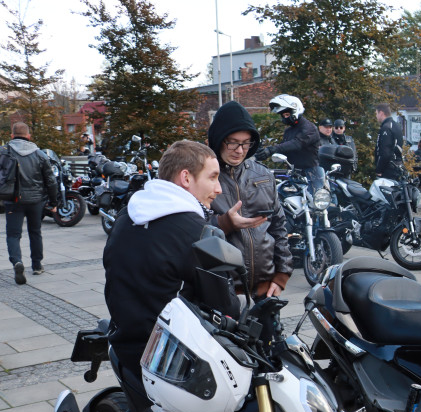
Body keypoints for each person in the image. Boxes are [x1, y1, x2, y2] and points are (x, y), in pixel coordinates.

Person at [103, 140, 225, 383]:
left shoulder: (128, 214)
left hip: (125, 344)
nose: (219, 188)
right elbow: (222, 303)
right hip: (172, 359)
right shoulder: (196, 232)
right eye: (213, 177)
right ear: (186, 178)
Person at [207, 100, 293, 299]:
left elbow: (279, 227)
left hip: (266, 291)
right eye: (233, 142)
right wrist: (225, 223)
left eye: (246, 143)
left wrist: (281, 276)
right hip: (224, 294)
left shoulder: (263, 175)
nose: (240, 150)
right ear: (219, 140)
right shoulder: (202, 177)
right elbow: (190, 231)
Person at [0, 121, 59, 284]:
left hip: (12, 199)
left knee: (13, 234)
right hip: (35, 200)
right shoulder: (40, 154)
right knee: (35, 231)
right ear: (29, 136)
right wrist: (54, 202)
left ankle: (17, 262)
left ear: (12, 136)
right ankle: (37, 265)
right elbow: (51, 180)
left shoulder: (3, 151)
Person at [255, 94, 323, 187]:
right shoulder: (289, 131)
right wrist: (264, 153)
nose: (285, 118)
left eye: (287, 114)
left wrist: (271, 150)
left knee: (318, 199)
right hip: (294, 175)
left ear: (295, 110)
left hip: (312, 176)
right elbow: (284, 149)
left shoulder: (309, 128)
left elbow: (297, 143)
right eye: (283, 115)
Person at [374, 103, 404, 180]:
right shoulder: (396, 126)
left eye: (376, 113)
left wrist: (379, 169)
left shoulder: (386, 128)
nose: (376, 116)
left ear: (381, 113)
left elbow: (385, 152)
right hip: (397, 166)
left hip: (388, 169)